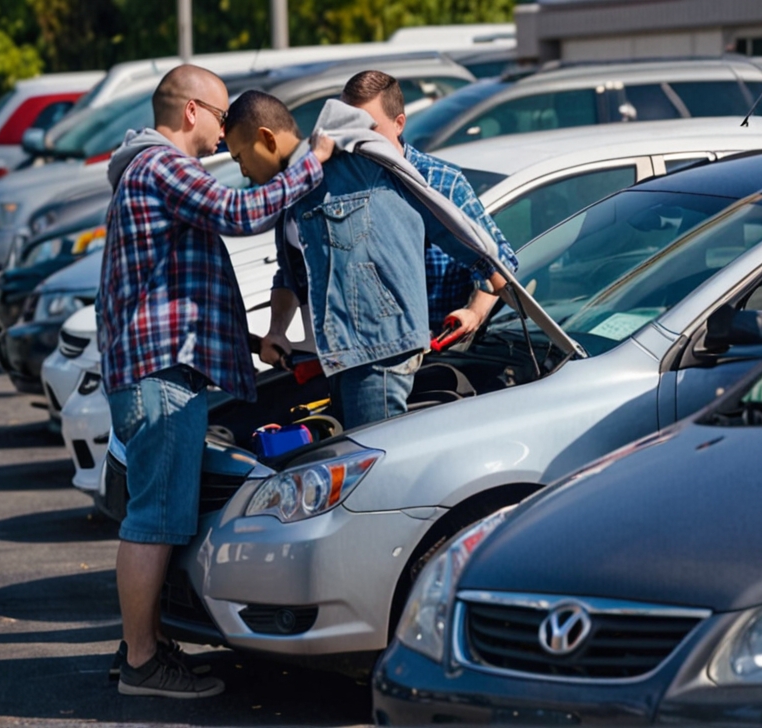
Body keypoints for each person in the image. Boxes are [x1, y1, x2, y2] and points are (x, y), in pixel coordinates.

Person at [97, 65, 333, 699]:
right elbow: (238, 212)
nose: (226, 130)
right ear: (193, 112)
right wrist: (315, 159)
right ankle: (144, 666)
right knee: (154, 520)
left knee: (159, 515)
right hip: (160, 378)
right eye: (223, 116)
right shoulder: (162, 165)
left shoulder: (147, 173)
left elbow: (177, 292)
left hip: (157, 370)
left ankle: (139, 650)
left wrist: (254, 343)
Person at [224, 91, 503, 430]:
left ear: (266, 138)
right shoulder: (292, 191)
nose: (242, 170)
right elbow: (290, 273)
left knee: (379, 471)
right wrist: (276, 332)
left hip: (379, 351)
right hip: (341, 355)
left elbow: (440, 218)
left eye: (240, 156)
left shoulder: (353, 164)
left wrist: (490, 273)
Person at [340, 70, 518, 340]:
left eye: (370, 129)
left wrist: (473, 313)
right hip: (370, 349)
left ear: (399, 124)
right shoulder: (341, 186)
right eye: (349, 128)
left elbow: (500, 262)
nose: (358, 140)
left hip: (436, 349)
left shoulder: (440, 182)